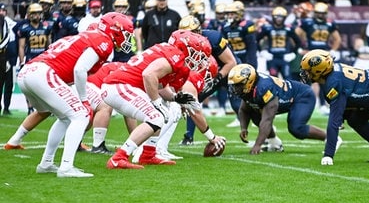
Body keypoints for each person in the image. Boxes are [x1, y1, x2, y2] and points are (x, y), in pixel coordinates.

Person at [18, 13, 134, 177]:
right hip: (42, 73)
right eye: (126, 34)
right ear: (115, 30)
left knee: (65, 118)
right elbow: (80, 69)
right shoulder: (104, 41)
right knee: (81, 115)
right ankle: (66, 168)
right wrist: (84, 99)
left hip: (28, 73)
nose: (127, 39)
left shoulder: (86, 36)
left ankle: (46, 163)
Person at [104, 30, 225, 169]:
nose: (200, 60)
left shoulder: (177, 61)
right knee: (156, 116)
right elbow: (148, 75)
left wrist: (175, 98)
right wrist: (156, 103)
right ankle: (119, 157)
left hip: (126, 86)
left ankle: (148, 154)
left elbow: (160, 86)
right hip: (119, 85)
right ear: (186, 49)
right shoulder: (175, 55)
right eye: (198, 54)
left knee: (163, 114)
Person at [228, 64, 330, 154]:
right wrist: (244, 128)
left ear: (249, 81)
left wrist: (257, 144)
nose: (235, 88)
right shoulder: (250, 88)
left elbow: (267, 120)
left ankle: (330, 138)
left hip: (301, 96)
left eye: (238, 84)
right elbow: (244, 110)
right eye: (234, 85)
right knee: (254, 112)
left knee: (296, 128)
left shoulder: (263, 88)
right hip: (283, 99)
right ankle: (275, 144)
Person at [177, 16, 238, 144]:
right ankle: (189, 136)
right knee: (192, 100)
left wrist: (218, 78)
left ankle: (268, 135)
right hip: (207, 74)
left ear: (198, 31)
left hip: (227, 71)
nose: (187, 37)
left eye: (190, 33)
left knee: (239, 105)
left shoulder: (213, 38)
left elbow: (231, 62)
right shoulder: (181, 43)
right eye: (183, 34)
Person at [257, 6, 303, 80]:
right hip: (272, 58)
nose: (278, 19)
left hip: (284, 58)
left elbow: (298, 42)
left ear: (284, 18)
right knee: (273, 80)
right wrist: (262, 51)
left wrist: (293, 53)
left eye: (281, 17)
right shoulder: (267, 28)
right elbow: (256, 39)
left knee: (288, 80)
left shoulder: (288, 29)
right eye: (276, 17)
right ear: (273, 17)